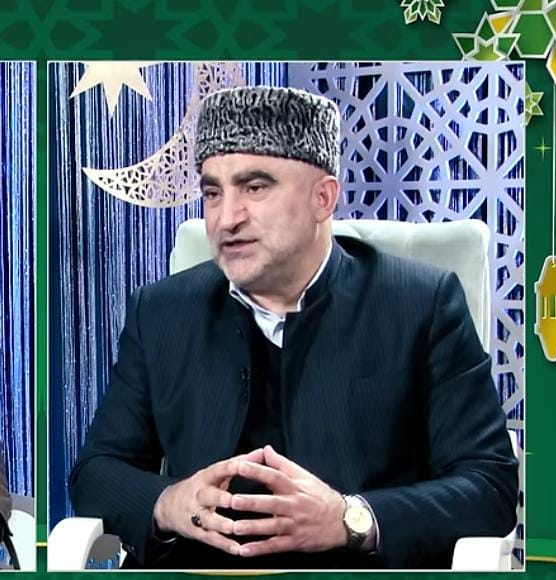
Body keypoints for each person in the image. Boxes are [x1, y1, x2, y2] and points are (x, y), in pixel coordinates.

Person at [69, 86, 518, 569]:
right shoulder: (162, 311)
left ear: (322, 199)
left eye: (255, 188)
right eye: (213, 193)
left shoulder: (421, 305)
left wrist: (350, 519)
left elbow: (488, 486)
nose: (226, 219)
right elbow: (96, 472)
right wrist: (169, 503)